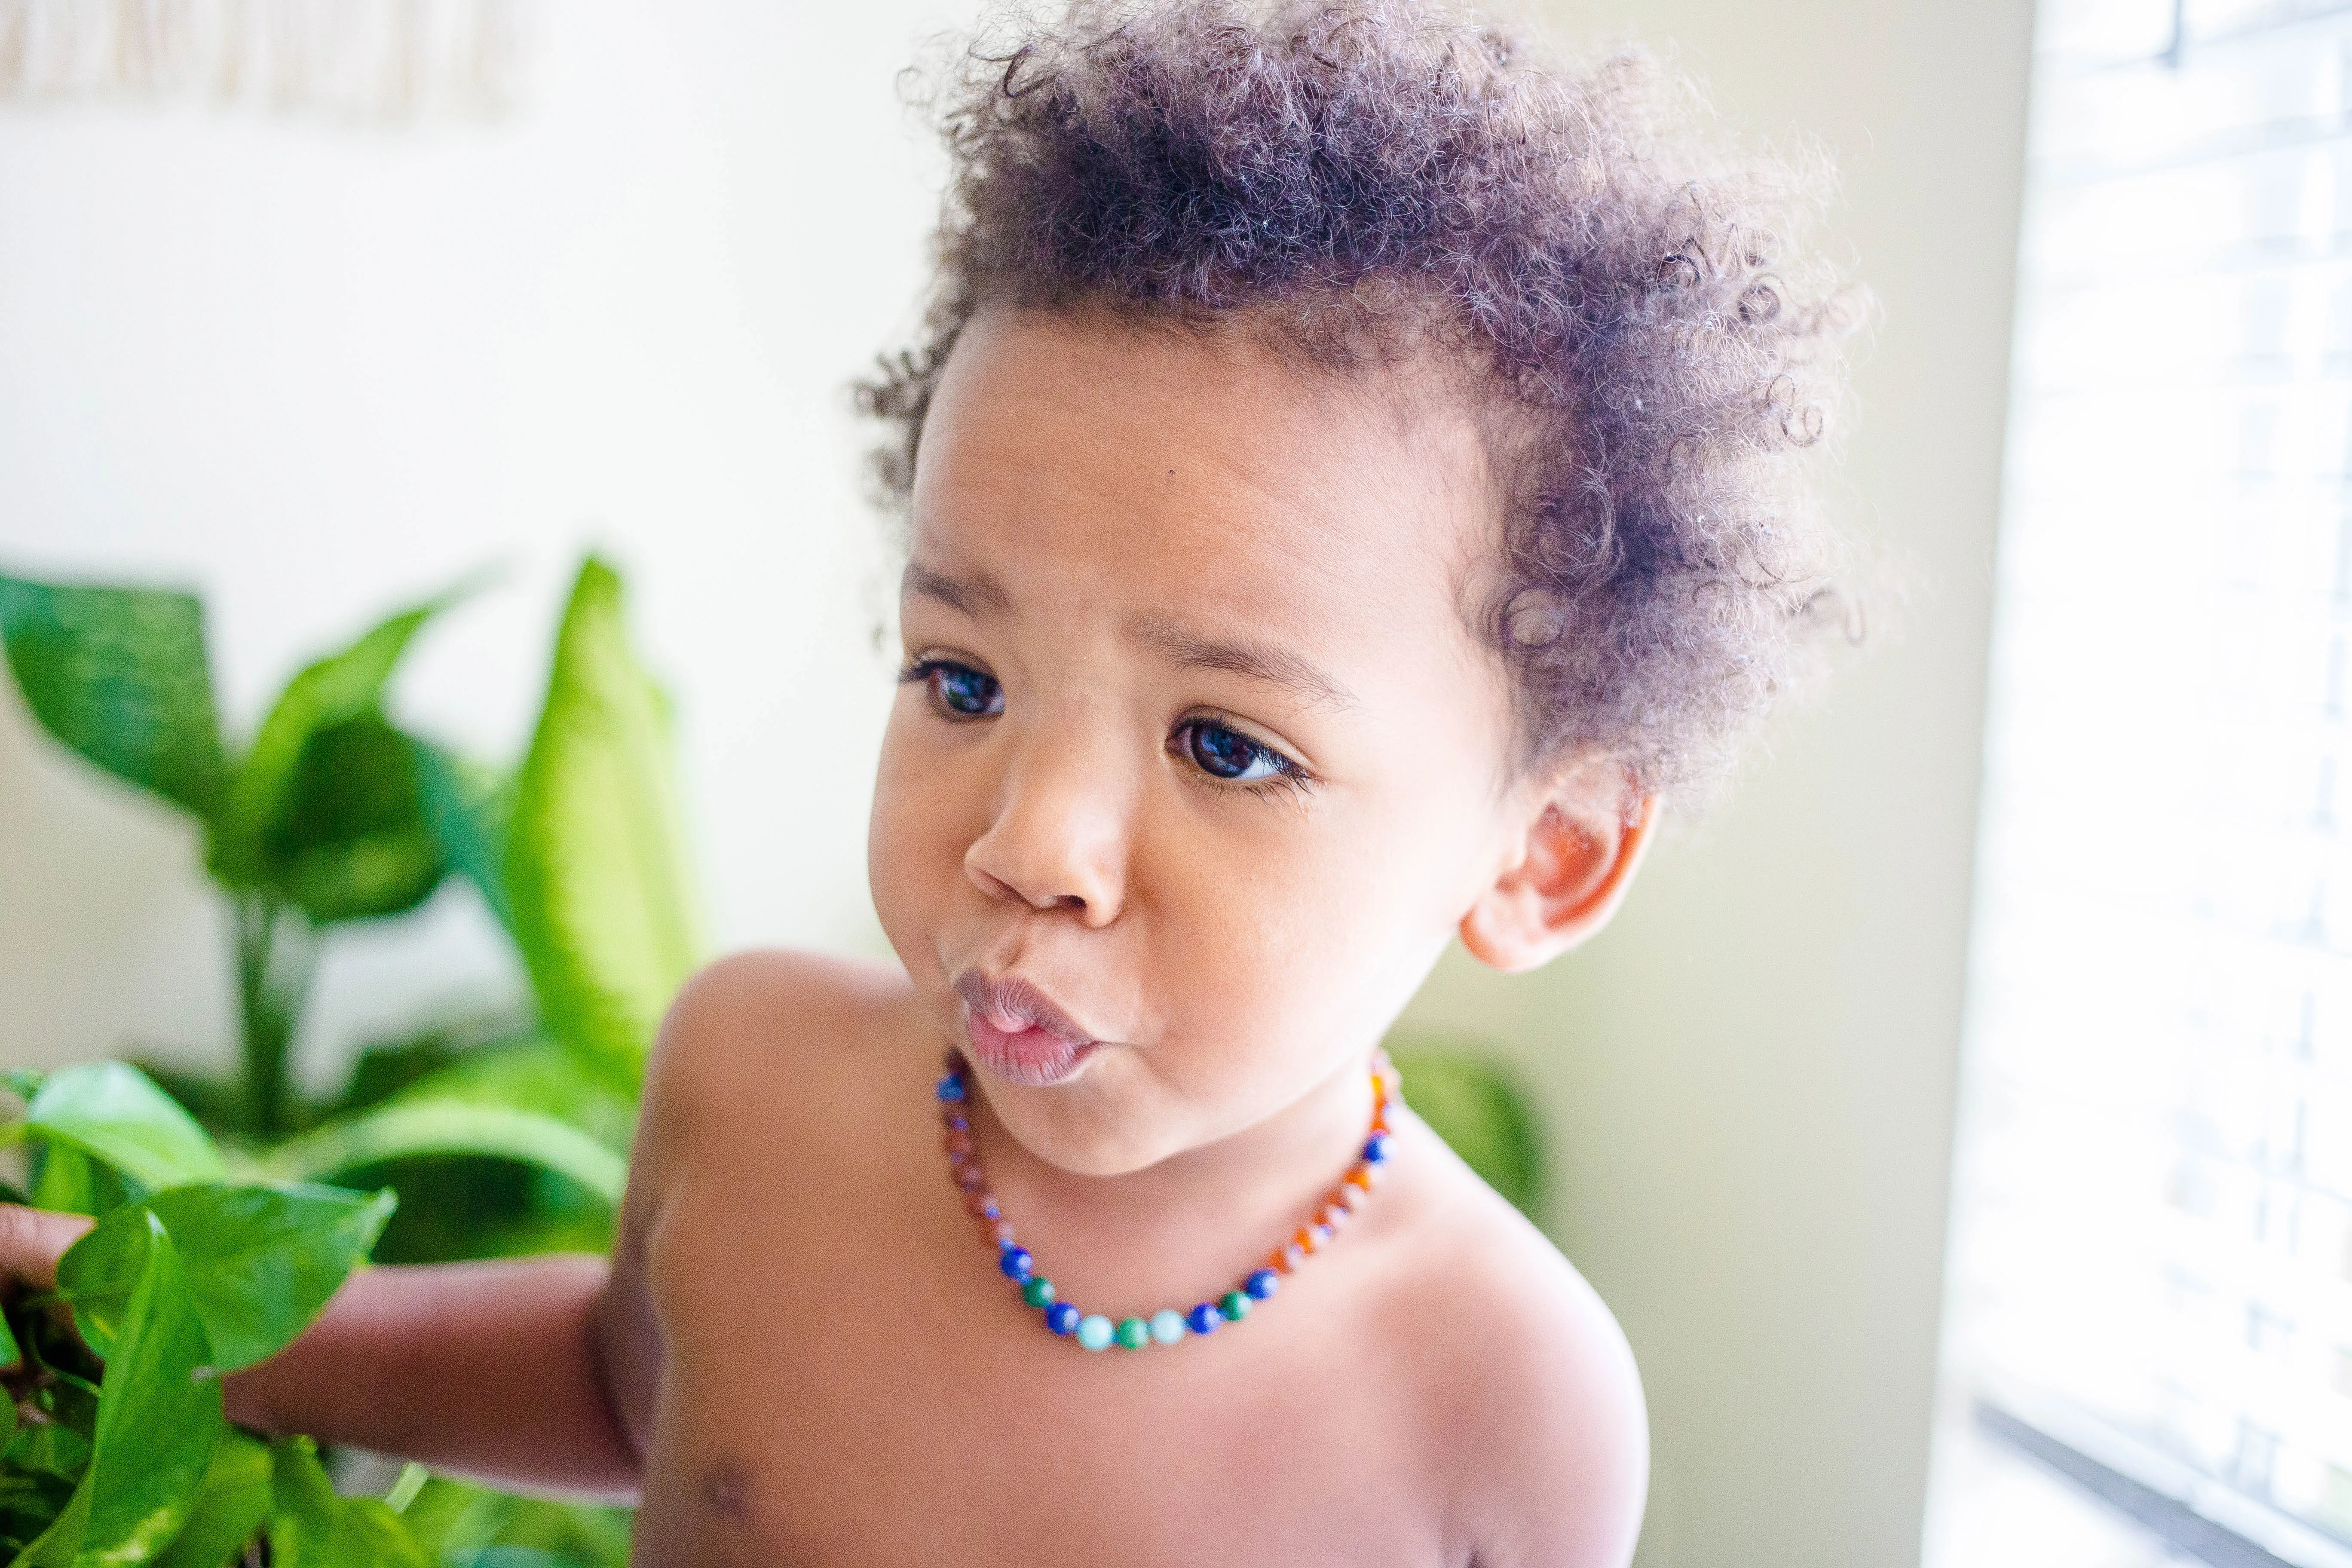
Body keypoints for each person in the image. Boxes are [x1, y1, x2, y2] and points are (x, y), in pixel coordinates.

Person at [0, 1, 1858, 1561]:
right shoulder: (751, 1087)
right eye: (961, 678)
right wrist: (203, 1328)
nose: (1026, 838)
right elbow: (630, 1385)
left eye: (1228, 744)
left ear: (1542, 855)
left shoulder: (1504, 1392)